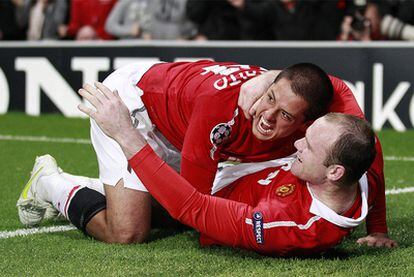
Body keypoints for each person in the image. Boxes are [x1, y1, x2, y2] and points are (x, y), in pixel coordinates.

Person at [17, 60, 394, 248]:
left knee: (169, 206)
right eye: (270, 98)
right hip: (133, 108)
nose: (266, 115)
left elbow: (363, 142)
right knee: (128, 231)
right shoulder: (220, 112)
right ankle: (52, 182)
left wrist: (378, 230)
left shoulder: (334, 139)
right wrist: (125, 134)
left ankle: (113, 188)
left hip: (183, 106)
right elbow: (192, 207)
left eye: (285, 116)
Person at [79, 85, 393, 255]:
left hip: (208, 197)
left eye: (308, 146)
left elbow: (191, 206)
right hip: (232, 168)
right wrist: (378, 229)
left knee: (128, 230)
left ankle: (53, 185)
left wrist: (125, 134)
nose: (297, 146)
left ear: (335, 173)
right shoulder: (363, 152)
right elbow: (337, 88)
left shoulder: (285, 225)